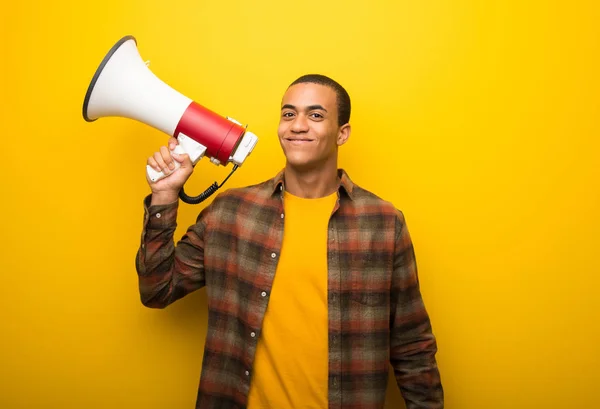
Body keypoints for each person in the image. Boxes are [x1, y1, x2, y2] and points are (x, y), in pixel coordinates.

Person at [135, 74, 443, 409]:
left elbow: (413, 346)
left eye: (315, 115)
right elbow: (157, 290)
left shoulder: (383, 224)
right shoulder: (231, 211)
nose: (297, 125)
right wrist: (165, 197)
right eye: (288, 114)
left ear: (343, 133)